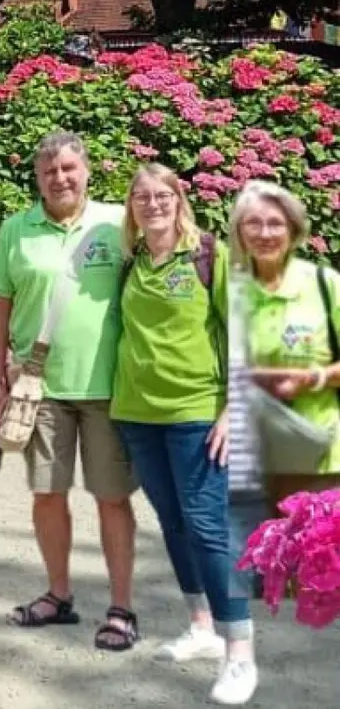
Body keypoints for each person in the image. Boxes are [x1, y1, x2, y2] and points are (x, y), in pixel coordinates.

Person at [0, 132, 139, 651]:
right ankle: (58, 594)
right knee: (47, 493)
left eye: (69, 168)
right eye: (50, 171)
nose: (61, 178)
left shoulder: (118, 223)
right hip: (38, 388)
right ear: (37, 178)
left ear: (88, 170)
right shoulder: (16, 231)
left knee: (112, 498)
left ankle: (121, 608)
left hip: (108, 387)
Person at [110, 165, 254, 704]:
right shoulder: (132, 261)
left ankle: (239, 650)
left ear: (179, 199)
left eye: (161, 195)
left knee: (208, 527)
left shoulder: (210, 256)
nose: (152, 204)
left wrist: (232, 410)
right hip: (137, 414)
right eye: (142, 197)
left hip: (196, 411)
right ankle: (201, 628)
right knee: (173, 522)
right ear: (132, 207)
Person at [231, 181, 340, 507]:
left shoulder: (325, 284)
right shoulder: (230, 290)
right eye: (253, 223)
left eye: (276, 223)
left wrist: (313, 378)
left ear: (294, 230)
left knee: (318, 551)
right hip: (247, 460)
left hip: (320, 451)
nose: (265, 234)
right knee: (256, 554)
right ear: (239, 232)